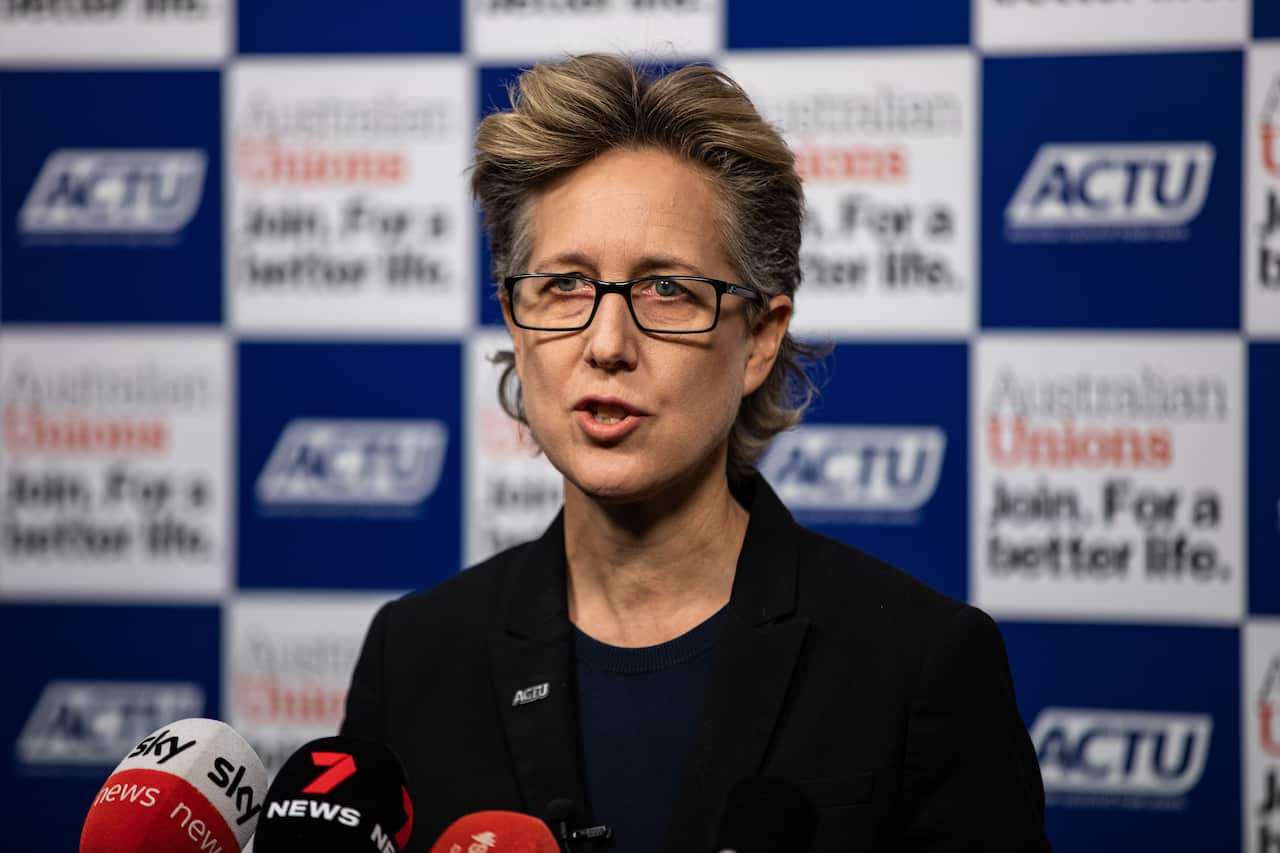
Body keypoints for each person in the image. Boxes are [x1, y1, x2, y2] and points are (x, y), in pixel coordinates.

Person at [341, 54, 1049, 853]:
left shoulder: (921, 667)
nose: (607, 344)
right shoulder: (414, 656)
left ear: (759, 338)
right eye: (566, 285)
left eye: (667, 289)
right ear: (513, 317)